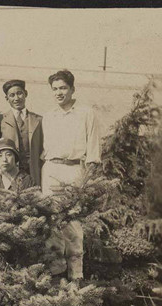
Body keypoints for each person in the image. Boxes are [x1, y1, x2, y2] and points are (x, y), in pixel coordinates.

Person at [41, 69, 101, 280]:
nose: (59, 93)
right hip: (51, 170)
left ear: (72, 89)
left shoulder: (86, 113)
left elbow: (94, 151)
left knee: (73, 226)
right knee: (53, 225)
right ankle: (56, 277)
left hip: (74, 169)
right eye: (55, 89)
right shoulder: (48, 117)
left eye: (63, 88)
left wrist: (86, 180)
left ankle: (76, 278)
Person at [0, 80, 43, 186]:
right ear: (7, 98)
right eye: (12, 95)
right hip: (10, 172)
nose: (16, 98)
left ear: (26, 94)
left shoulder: (38, 120)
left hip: (33, 170)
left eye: (19, 93)